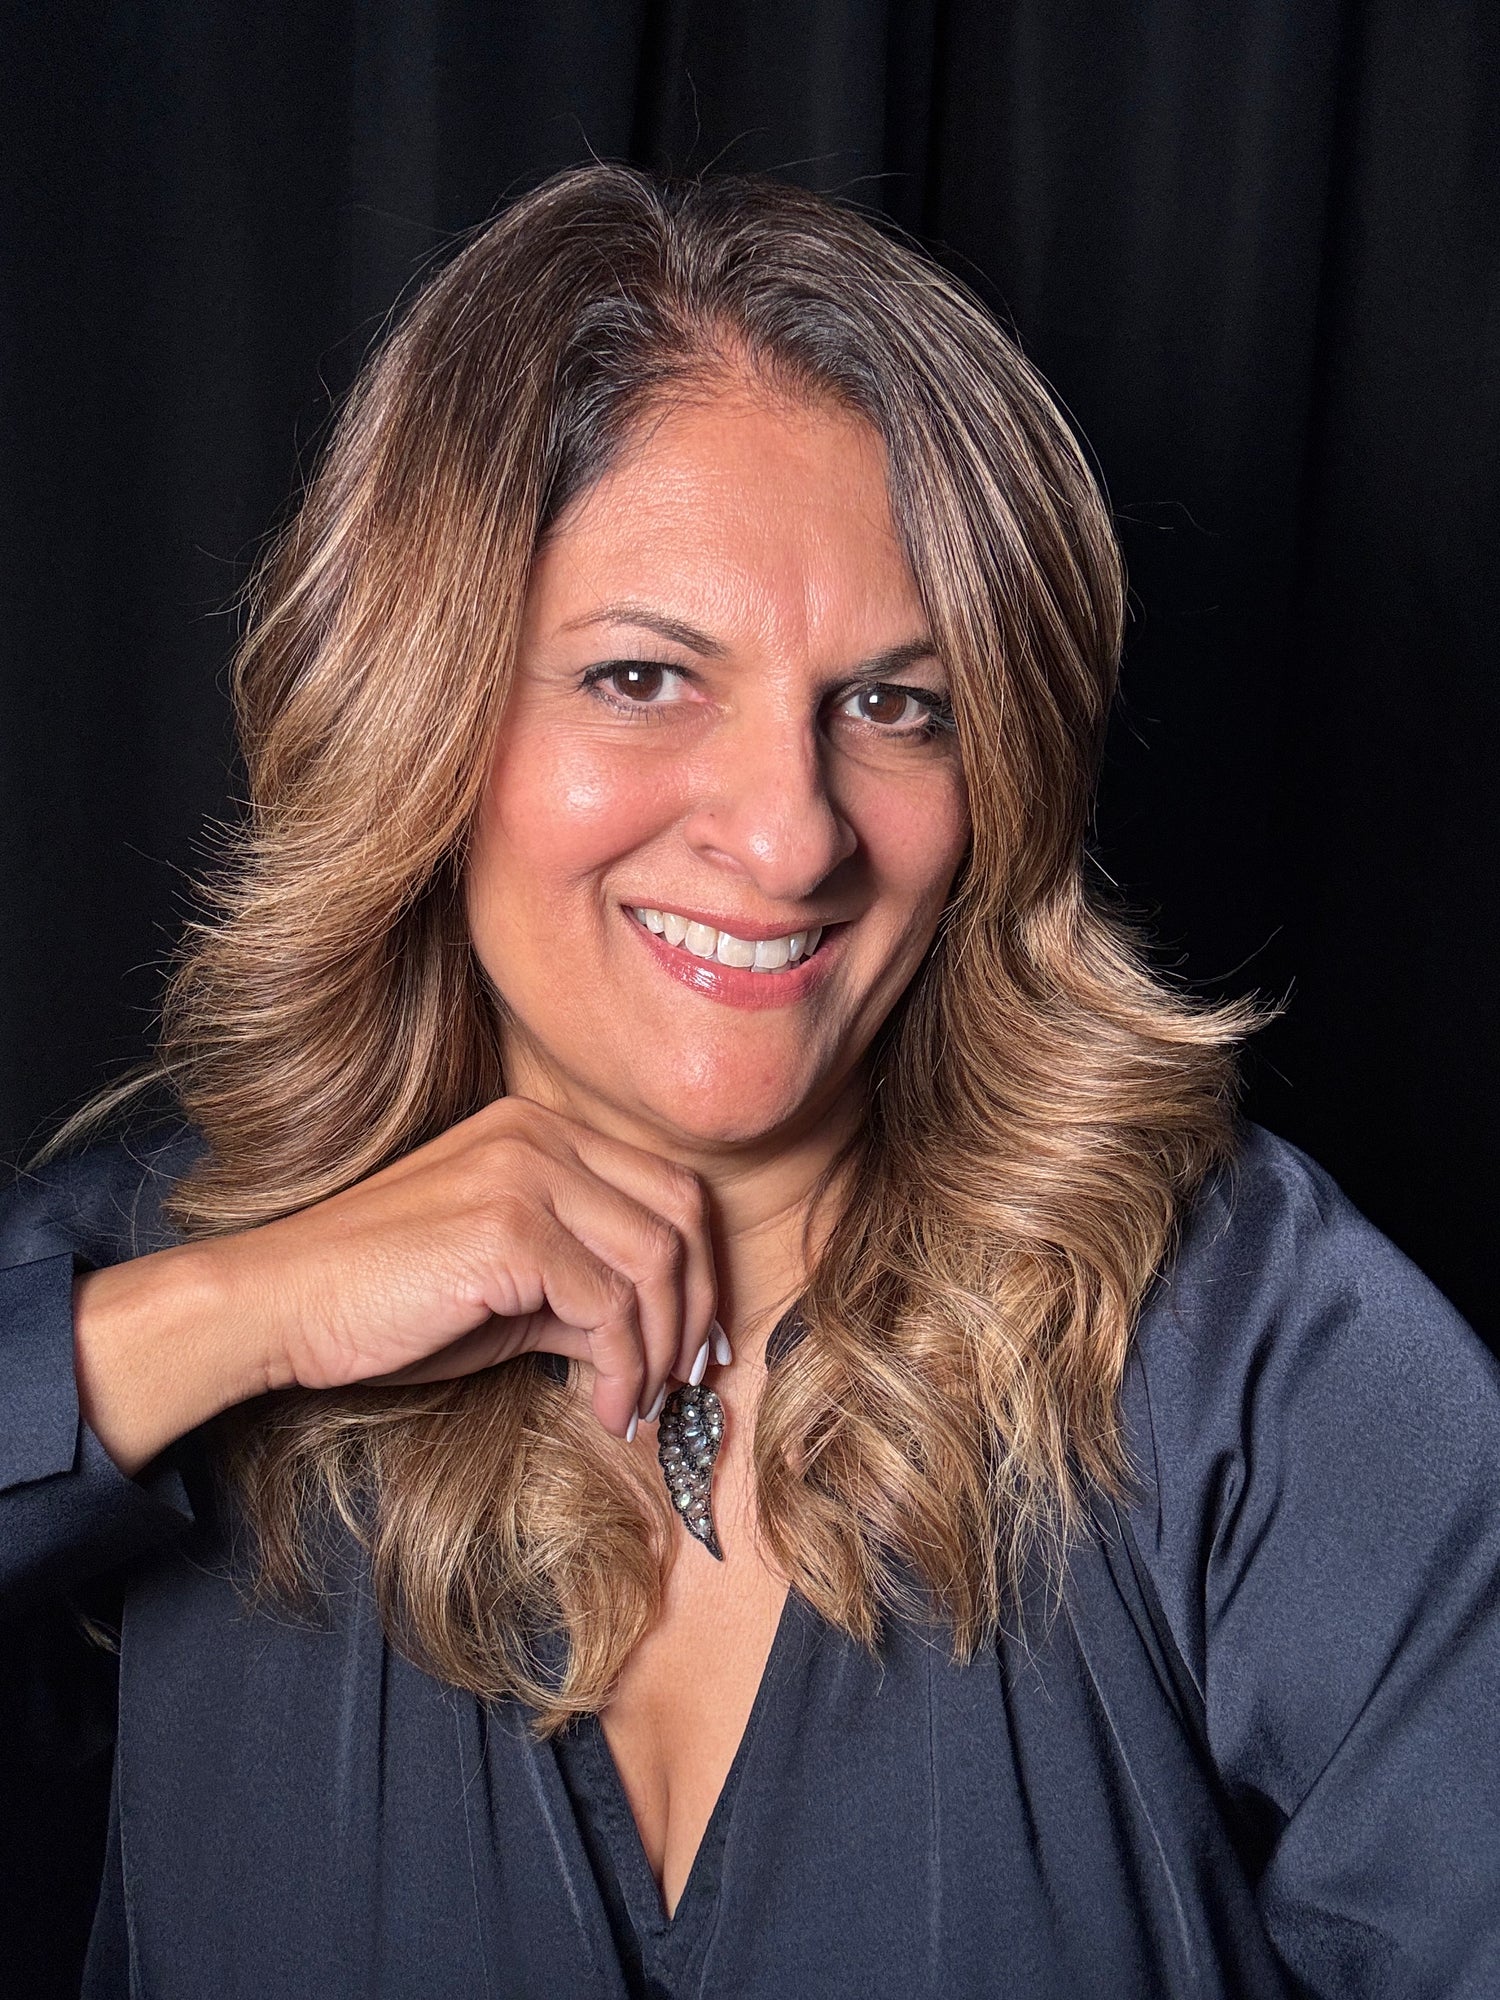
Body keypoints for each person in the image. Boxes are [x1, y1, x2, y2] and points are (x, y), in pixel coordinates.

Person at [2, 164, 1497, 2000]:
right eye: (642, 676)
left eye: (896, 704)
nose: (789, 836)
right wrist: (219, 1324)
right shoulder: (165, 1280)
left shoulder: (1247, 1351)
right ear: (422, 712)